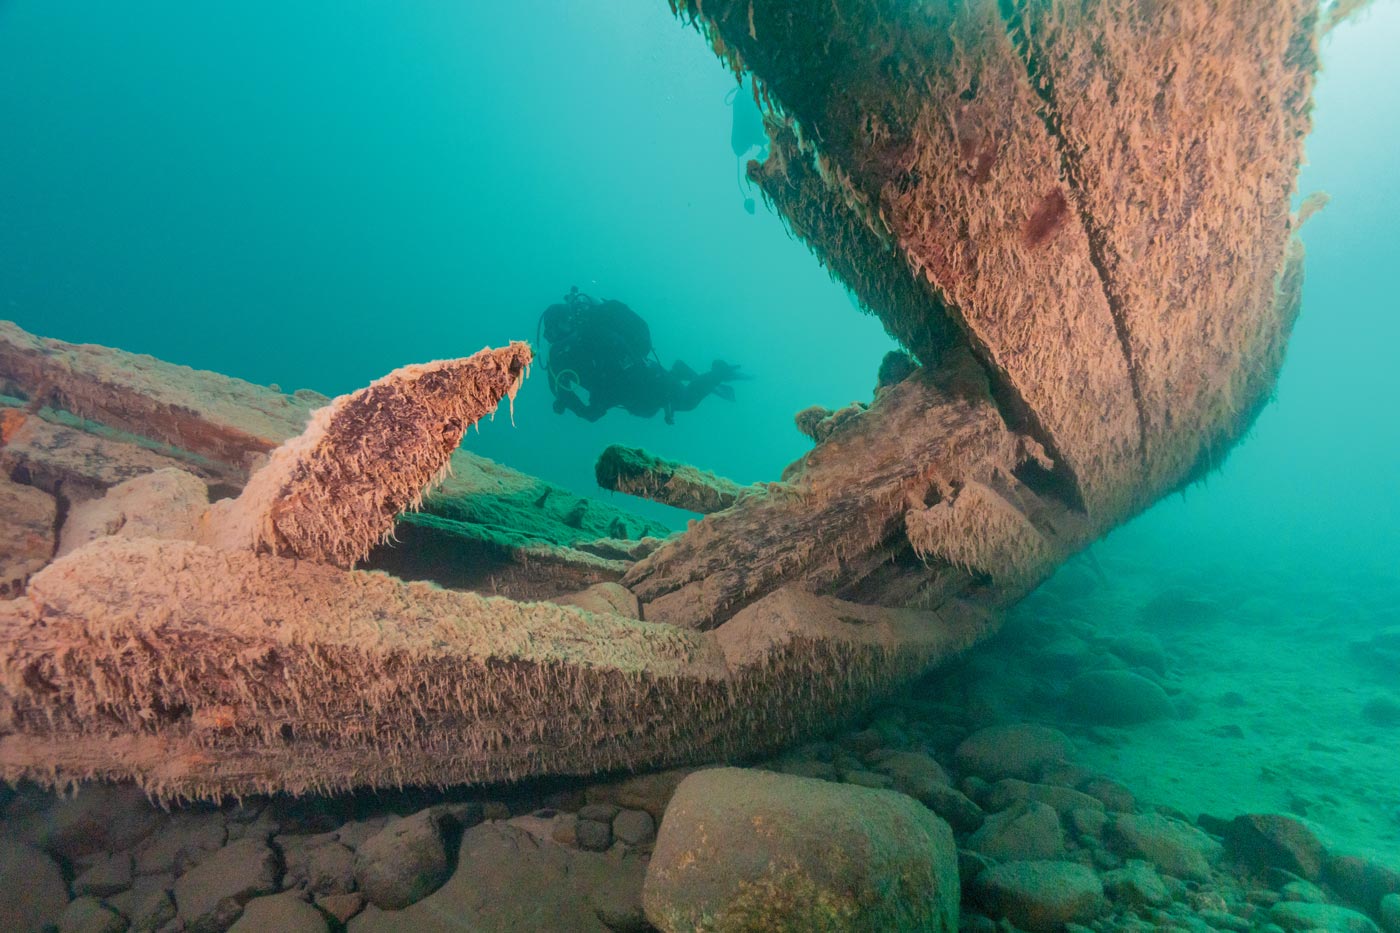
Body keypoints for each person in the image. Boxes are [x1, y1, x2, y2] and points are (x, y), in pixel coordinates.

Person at [537, 287, 744, 424]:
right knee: (647, 411)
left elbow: (623, 366)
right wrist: (584, 411)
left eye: (560, 328)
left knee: (686, 401)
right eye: (552, 333)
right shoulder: (558, 357)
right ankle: (678, 370)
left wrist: (599, 403)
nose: (557, 337)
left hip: (648, 381)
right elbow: (559, 390)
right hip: (632, 398)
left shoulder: (594, 335)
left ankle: (718, 372)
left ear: (572, 321)